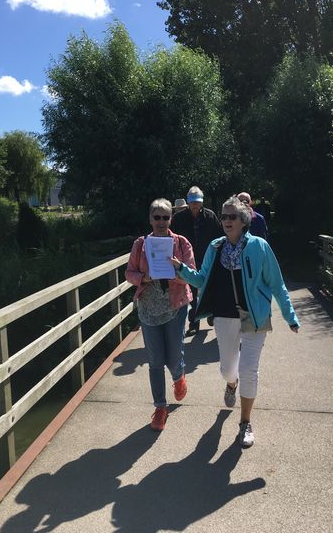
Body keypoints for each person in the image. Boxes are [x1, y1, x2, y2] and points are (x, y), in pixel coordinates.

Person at [170, 196, 300, 448]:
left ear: (244, 220)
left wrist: (290, 315)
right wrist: (181, 269)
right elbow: (201, 279)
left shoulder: (259, 246)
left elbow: (277, 283)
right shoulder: (215, 247)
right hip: (224, 315)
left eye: (232, 216)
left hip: (255, 316)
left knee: (249, 370)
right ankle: (231, 384)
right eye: (224, 216)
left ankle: (245, 422)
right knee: (228, 370)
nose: (227, 220)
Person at [125, 198, 195, 431]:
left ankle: (179, 376)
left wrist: (177, 270)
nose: (161, 221)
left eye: (166, 217)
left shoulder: (181, 243)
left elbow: (192, 274)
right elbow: (129, 273)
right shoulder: (140, 244)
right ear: (150, 219)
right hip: (148, 309)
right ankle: (160, 408)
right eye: (157, 217)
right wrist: (143, 278)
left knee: (173, 359)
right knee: (155, 361)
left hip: (175, 306)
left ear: (171, 219)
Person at [170, 186, 222, 334]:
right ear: (188, 202)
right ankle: (194, 323)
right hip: (188, 260)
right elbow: (172, 239)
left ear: (202, 202)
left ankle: (211, 313)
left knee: (210, 288)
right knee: (192, 291)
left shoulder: (211, 216)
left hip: (207, 258)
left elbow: (219, 237)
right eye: (192, 202)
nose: (195, 205)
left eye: (197, 202)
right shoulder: (178, 218)